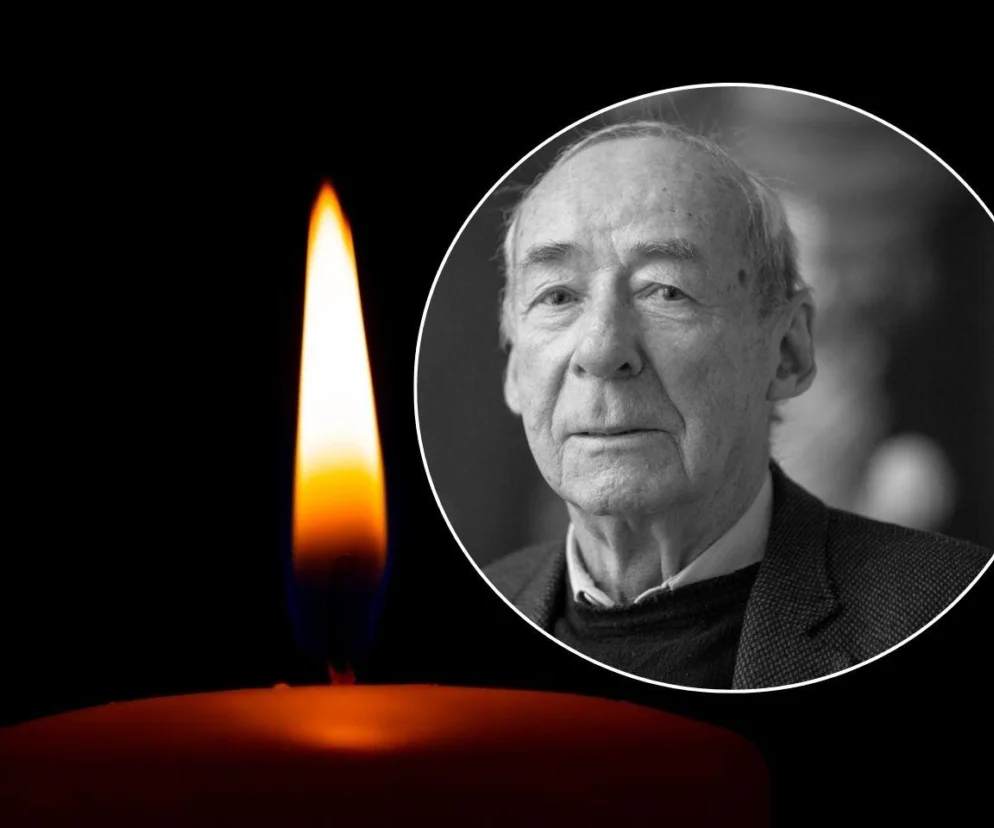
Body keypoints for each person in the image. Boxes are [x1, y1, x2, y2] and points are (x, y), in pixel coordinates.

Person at [483, 120, 992, 690]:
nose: (601, 350)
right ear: (514, 369)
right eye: (557, 296)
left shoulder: (935, 603)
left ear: (788, 352)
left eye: (666, 290)